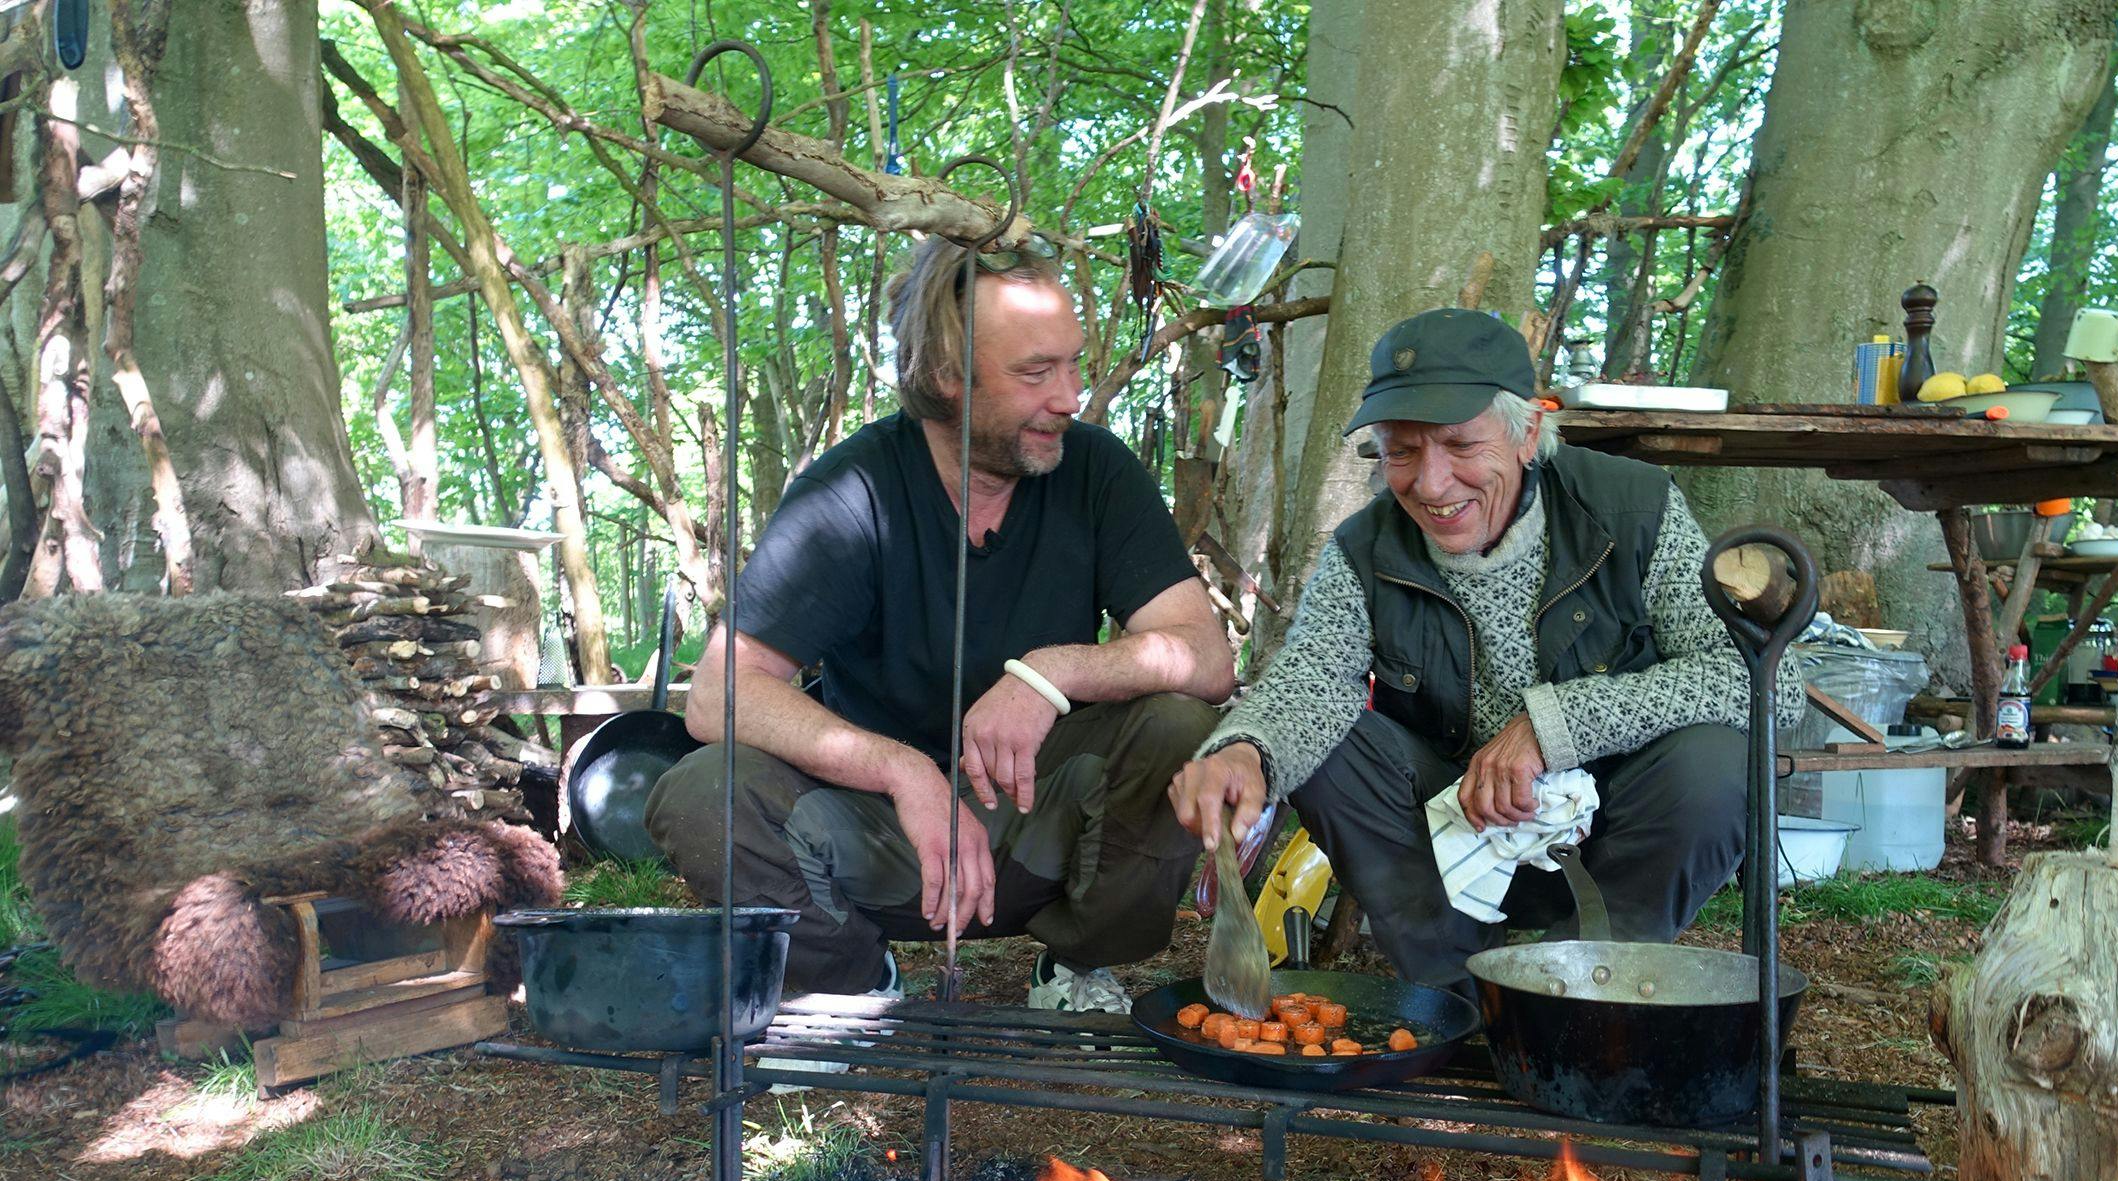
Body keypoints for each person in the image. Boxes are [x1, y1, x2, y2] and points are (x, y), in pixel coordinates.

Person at [647, 235, 1233, 1014]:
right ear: (945, 375)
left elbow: (1205, 656)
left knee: (1179, 723)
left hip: (1039, 814)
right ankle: (848, 976)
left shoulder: (1096, 469)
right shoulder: (851, 492)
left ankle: (1077, 964)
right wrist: (903, 771)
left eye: (1074, 365)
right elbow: (718, 694)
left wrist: (1048, 672)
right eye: (1036, 372)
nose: (1070, 397)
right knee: (702, 793)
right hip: (882, 834)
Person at [1168, 308, 1799, 994]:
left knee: (1720, 759)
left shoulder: (1633, 509)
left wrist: (1554, 726)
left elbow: (1769, 683)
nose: (1431, 484)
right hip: (1446, 841)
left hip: (1614, 832)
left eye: (1460, 444)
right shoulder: (1364, 549)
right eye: (1402, 452)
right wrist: (1246, 751)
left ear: (1527, 433)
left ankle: (1592, 990)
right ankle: (1455, 996)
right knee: (1324, 748)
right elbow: (1311, 678)